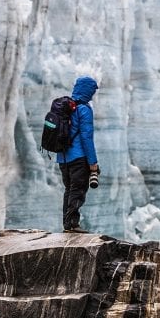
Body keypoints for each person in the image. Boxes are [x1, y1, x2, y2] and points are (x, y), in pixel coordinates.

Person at [57, 76, 100, 233]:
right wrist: (92, 162)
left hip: (63, 158)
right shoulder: (84, 109)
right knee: (78, 191)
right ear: (88, 90)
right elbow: (86, 137)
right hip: (79, 158)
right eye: (92, 91)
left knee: (69, 190)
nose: (93, 94)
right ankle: (73, 225)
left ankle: (67, 224)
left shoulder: (66, 106)